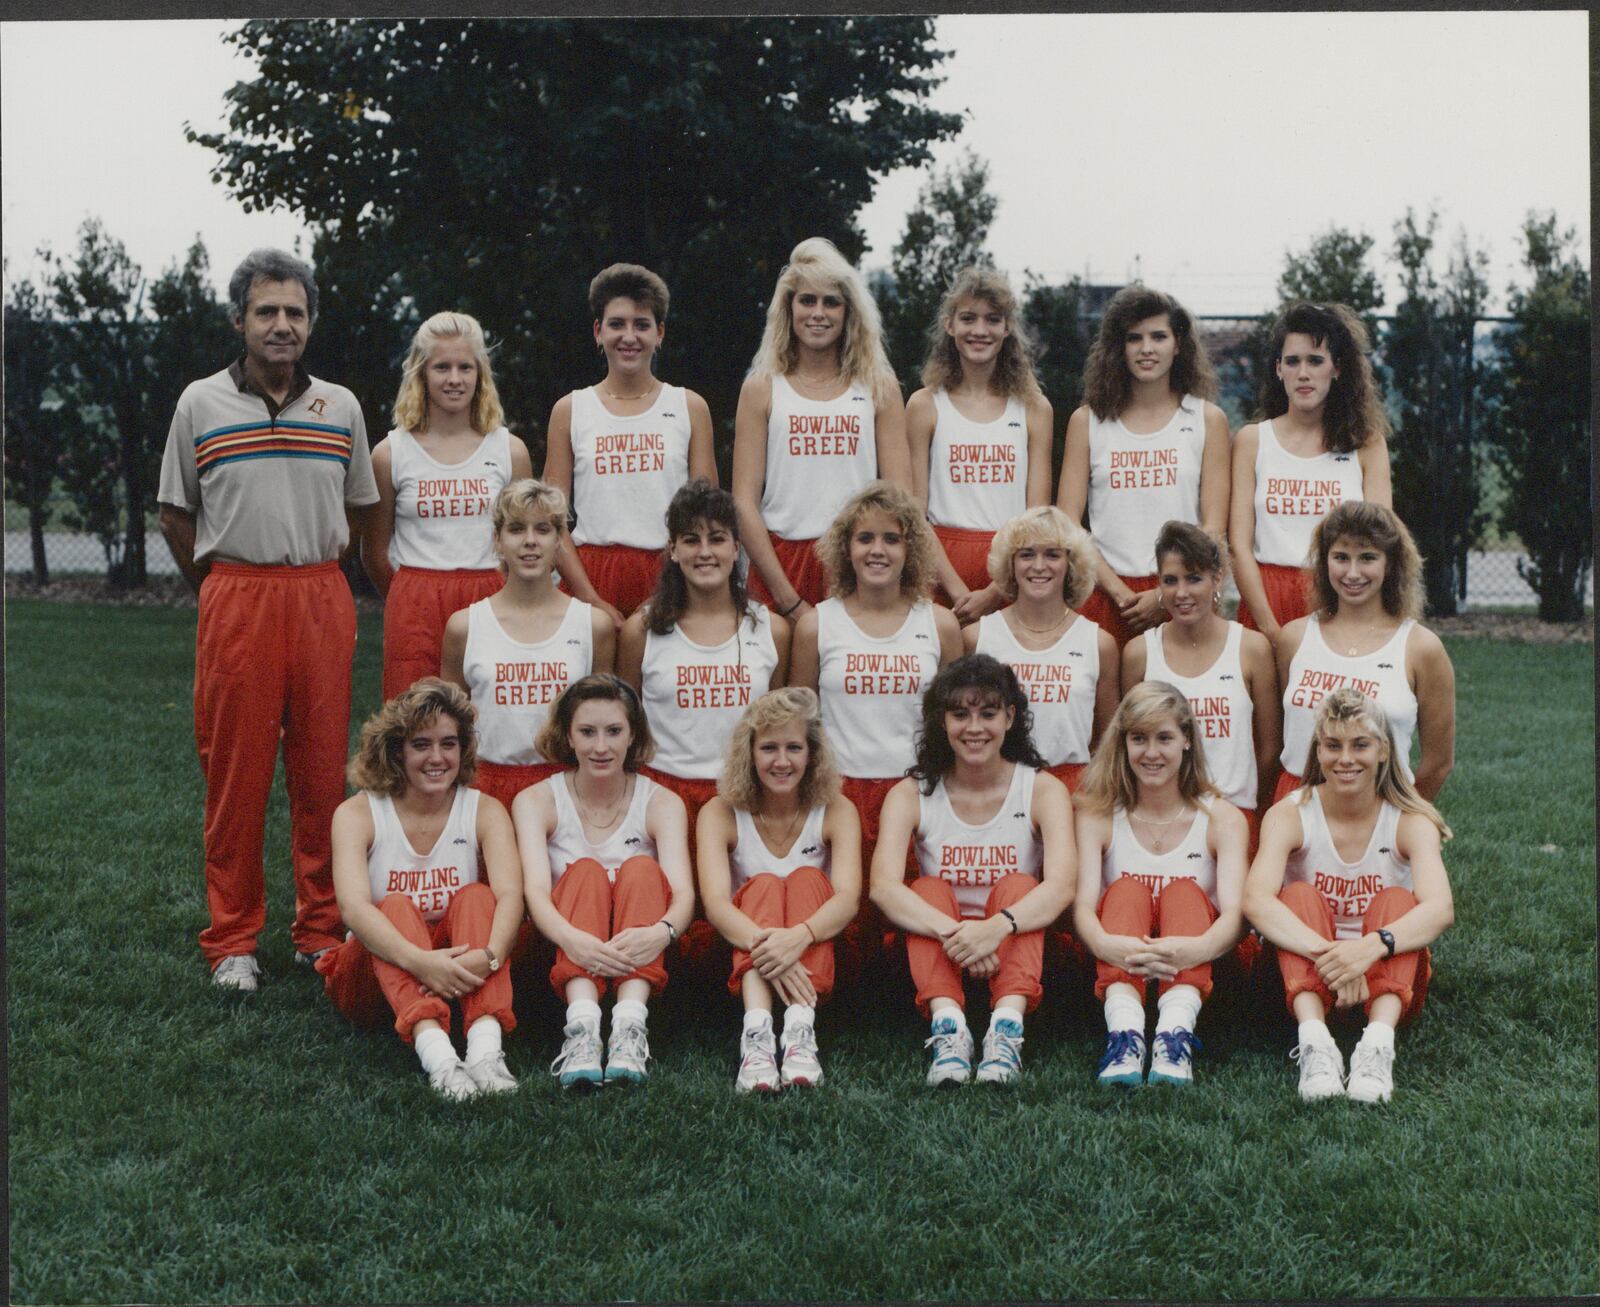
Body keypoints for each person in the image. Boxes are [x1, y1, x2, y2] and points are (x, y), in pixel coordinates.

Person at [157, 247, 378, 990]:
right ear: (239, 320)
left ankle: (319, 928)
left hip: (318, 594)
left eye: (295, 312)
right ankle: (233, 940)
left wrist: (313, 571)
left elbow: (357, 508)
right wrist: (221, 586)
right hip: (236, 596)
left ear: (310, 322)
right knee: (236, 776)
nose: (281, 325)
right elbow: (175, 513)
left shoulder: (341, 406)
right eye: (266, 311)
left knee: (321, 773)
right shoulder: (200, 403)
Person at [870, 655, 1075, 1085]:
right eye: (960, 714)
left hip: (1014, 942)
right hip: (943, 947)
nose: (974, 728)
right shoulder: (911, 792)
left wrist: (995, 929)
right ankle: (948, 1029)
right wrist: (962, 936)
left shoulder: (1041, 789)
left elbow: (1060, 886)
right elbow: (883, 888)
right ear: (942, 721)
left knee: (1021, 884)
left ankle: (1006, 1028)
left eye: (988, 713)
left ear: (1010, 717)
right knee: (926, 888)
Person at [1244, 688, 1454, 1103]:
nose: (1345, 759)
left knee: (1398, 901)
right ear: (1318, 750)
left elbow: (1440, 908)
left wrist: (1369, 949)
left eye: (1360, 745)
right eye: (1332, 745)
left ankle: (1377, 1045)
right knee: (1297, 895)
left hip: (1386, 981)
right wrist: (1337, 958)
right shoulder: (1290, 812)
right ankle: (1314, 1043)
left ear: (1383, 750)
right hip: (1304, 979)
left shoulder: (1410, 818)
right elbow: (1256, 900)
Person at [318, 679, 523, 1100]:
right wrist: (420, 962)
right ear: (397, 751)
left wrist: (489, 956)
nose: (437, 758)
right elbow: (354, 909)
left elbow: (510, 897)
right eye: (421, 745)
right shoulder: (358, 813)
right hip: (374, 976)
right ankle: (440, 1059)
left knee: (478, 897)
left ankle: (485, 1051)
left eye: (449, 744)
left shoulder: (484, 809)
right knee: (392, 906)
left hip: (459, 974)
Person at [513, 676, 694, 1090]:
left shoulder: (662, 801)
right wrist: (572, 939)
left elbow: (683, 894)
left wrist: (661, 932)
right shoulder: (536, 800)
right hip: (568, 942)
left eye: (614, 731)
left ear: (633, 735)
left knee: (642, 868)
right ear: (567, 736)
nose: (600, 747)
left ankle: (630, 1025)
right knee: (585, 871)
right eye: (587, 732)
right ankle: (583, 1028)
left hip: (639, 943)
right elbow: (535, 892)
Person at [1073, 682, 1250, 1087]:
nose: (1151, 753)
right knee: (1126, 890)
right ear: (1123, 744)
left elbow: (1236, 914)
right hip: (1119, 960)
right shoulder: (1098, 815)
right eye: (1139, 738)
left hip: (1195, 964)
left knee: (1184, 892)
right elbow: (1082, 906)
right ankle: (1124, 1036)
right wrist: (1103, 943)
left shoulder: (1222, 818)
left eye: (1164, 738)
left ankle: (1175, 1035)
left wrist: (1198, 948)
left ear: (1187, 740)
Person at [789, 481, 963, 887]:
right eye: (865, 538)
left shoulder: (940, 624)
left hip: (919, 795)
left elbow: (955, 721)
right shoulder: (816, 625)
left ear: (911, 548)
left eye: (891, 539)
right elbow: (799, 726)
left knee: (914, 909)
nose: (877, 550)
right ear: (846, 548)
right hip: (838, 796)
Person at [733, 236, 911, 619]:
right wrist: (788, 600)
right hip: (780, 563)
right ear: (789, 307)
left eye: (831, 302)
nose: (818, 313)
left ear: (849, 312)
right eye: (807, 300)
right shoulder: (761, 387)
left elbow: (900, 497)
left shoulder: (878, 387)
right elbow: (744, 502)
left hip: (859, 564)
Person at [696, 688, 862, 1093]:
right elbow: (715, 903)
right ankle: (756, 1033)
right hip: (746, 942)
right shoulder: (719, 811)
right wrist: (775, 951)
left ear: (812, 753)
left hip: (812, 943)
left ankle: (800, 1029)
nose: (782, 761)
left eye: (794, 748)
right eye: (769, 748)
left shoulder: (837, 808)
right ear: (749, 753)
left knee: (807, 879)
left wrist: (798, 937)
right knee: (765, 885)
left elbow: (847, 898)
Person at [617, 478, 789, 864]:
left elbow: (778, 727)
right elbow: (626, 726)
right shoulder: (640, 631)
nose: (705, 552)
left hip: (744, 798)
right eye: (691, 540)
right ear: (673, 550)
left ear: (737, 548)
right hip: (662, 798)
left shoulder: (773, 631)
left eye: (717, 538)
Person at [363, 311, 533, 701]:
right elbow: (374, 551)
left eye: (465, 367)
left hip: (489, 593)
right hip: (415, 603)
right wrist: (409, 596)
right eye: (442, 367)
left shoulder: (509, 451)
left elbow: (526, 541)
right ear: (421, 373)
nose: (454, 379)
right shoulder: (390, 453)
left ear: (480, 374)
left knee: (489, 718)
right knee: (415, 720)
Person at [541, 264, 717, 625]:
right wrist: (590, 599)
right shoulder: (570, 409)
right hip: (590, 574)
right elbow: (550, 519)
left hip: (670, 574)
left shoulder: (689, 407)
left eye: (642, 325)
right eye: (617, 324)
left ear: (660, 333)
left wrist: (668, 592)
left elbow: (705, 515)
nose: (629, 336)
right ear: (598, 331)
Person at [1056, 285, 1230, 649]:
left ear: (1178, 345)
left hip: (1182, 597)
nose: (1146, 348)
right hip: (1105, 592)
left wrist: (1166, 593)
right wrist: (1119, 593)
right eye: (1134, 338)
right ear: (1118, 347)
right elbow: (1068, 521)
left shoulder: (1207, 419)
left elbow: (1213, 528)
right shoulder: (1087, 421)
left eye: (1158, 337)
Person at [440, 479, 615, 815]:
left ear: (559, 541)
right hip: (487, 787)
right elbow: (450, 727)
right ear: (497, 540)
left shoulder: (593, 626)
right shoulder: (465, 626)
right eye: (517, 529)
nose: (530, 541)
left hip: (567, 787)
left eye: (543, 529)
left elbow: (604, 720)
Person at [1230, 302, 1392, 639]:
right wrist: (1270, 629)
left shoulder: (1366, 444)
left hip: (1340, 600)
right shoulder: (1252, 440)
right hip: (1266, 602)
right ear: (1278, 369)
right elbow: (1239, 547)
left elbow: (1379, 542)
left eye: (1315, 361)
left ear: (1337, 368)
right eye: (1293, 361)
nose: (1303, 373)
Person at [1274, 501, 1455, 804]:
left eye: (1368, 558)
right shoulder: (1293, 637)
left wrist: (1398, 814)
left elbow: (1438, 764)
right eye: (1341, 557)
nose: (1353, 573)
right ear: (1325, 562)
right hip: (1298, 804)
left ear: (1390, 563)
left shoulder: (1421, 648)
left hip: (1379, 804)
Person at [906, 266, 1052, 621]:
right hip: (939, 564)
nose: (980, 330)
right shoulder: (924, 405)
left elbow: (1037, 516)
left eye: (992, 319)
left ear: (1007, 328)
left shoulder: (1034, 408)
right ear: (949, 325)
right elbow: (914, 513)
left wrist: (995, 592)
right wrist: (957, 591)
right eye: (968, 318)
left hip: (1013, 568)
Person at [1123, 520, 1280, 847]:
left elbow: (1269, 750)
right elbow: (1127, 745)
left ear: (1216, 578)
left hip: (1235, 816)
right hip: (1161, 821)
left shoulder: (1252, 649)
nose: (1182, 593)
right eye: (1170, 580)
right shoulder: (1139, 653)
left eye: (1194, 578)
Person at [965, 505, 1119, 793]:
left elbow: (1108, 742)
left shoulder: (1099, 644)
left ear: (1071, 564)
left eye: (1052, 554)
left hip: (1073, 789)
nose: (1038, 566)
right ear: (1010, 564)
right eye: (1026, 554)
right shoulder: (976, 638)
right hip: (997, 788)